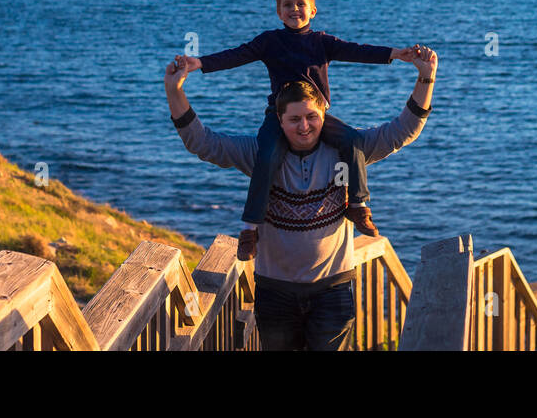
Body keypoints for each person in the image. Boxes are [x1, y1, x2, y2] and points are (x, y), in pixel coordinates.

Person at [164, 44, 437, 351]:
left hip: (332, 290)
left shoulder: (348, 151)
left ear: (323, 113)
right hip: (275, 292)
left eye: (311, 116)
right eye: (294, 119)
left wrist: (425, 78)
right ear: (279, 121)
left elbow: (401, 131)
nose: (304, 126)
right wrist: (175, 91)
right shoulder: (259, 154)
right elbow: (203, 143)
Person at [178, 0, 414, 260]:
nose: (294, 9)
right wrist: (200, 62)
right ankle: (249, 229)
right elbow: (237, 55)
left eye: (300, 4)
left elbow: (357, 50)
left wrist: (394, 54)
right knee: (265, 156)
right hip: (279, 117)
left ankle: (359, 205)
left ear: (313, 10)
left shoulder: (322, 42)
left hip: (318, 116)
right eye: (287, 5)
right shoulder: (269, 41)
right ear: (278, 12)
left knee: (353, 142)